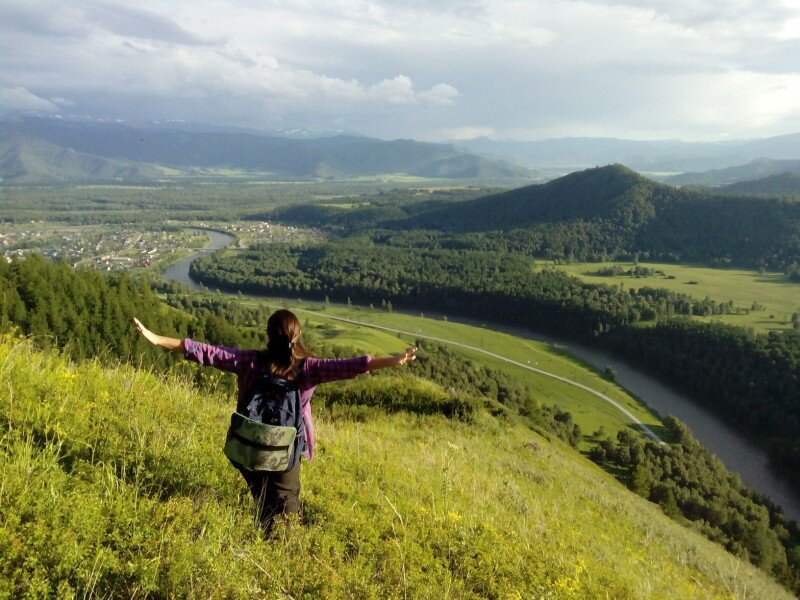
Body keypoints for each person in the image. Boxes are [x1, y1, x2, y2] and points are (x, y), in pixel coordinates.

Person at [132, 309, 416, 532]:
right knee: (285, 506)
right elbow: (353, 365)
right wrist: (394, 360)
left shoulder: (249, 361)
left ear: (268, 336)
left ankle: (263, 528)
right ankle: (280, 549)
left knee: (262, 496)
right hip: (287, 451)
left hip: (249, 446)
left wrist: (157, 339)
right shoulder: (309, 368)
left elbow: (204, 351)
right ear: (297, 335)